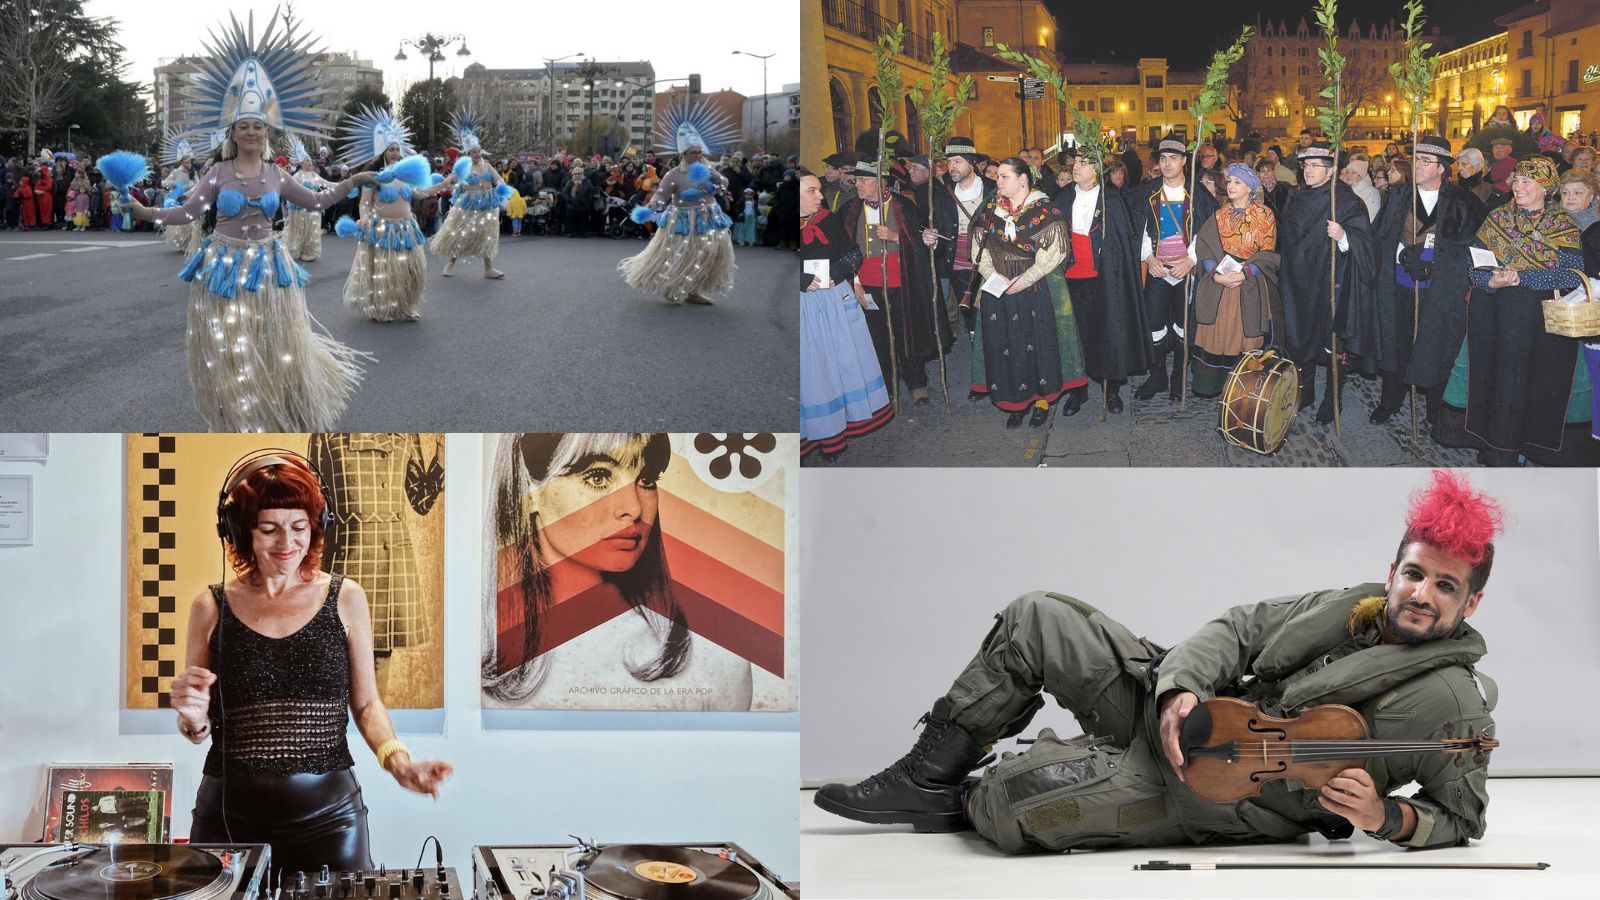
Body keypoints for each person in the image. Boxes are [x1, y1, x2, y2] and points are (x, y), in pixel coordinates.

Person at [814, 469, 1500, 856]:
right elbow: (1236, 629)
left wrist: (1389, 819)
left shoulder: (1452, 705)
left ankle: (999, 784)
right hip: (1191, 717)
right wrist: (1178, 688)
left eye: (1445, 587)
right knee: (1036, 617)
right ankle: (924, 778)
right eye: (1414, 574)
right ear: (1394, 570)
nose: (1420, 595)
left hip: (1221, 794)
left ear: (1469, 604)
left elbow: (1463, 818)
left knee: (1007, 806)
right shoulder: (1347, 606)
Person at [172, 452, 452, 876]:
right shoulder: (209, 607)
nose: (287, 544)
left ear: (317, 527)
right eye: (269, 529)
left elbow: (367, 706)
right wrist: (192, 718)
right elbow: (199, 728)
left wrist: (399, 763)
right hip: (227, 819)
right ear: (240, 531)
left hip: (331, 820)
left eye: (299, 528)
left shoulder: (346, 598)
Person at [126, 8, 378, 432]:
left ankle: (273, 406)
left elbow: (317, 202)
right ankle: (234, 409)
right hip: (223, 267)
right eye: (243, 126)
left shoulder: (278, 175)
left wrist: (352, 179)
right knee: (229, 344)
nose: (250, 133)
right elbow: (188, 212)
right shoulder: (217, 173)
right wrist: (147, 211)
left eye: (257, 127)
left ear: (266, 133)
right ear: (233, 132)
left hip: (267, 264)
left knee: (271, 340)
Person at [480, 433, 754, 709]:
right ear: (529, 491)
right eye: (598, 476)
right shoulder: (460, 648)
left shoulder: (717, 654)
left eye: (646, 479)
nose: (634, 508)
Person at [1436, 157, 1592, 465]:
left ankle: (1527, 447)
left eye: (1526, 181)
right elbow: (1474, 267)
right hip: (1494, 320)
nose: (1517, 187)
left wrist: (1523, 277)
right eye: (1516, 180)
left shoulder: (1563, 223)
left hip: (1540, 325)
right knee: (1497, 382)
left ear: (1545, 187)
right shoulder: (1497, 218)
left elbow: (1573, 273)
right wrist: (1491, 279)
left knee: (1533, 384)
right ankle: (1496, 446)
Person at [307, 433, 444, 694]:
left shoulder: (405, 433)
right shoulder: (325, 435)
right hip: (345, 553)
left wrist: (441, 455)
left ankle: (376, 729)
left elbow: (422, 501)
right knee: (337, 657)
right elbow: (313, 504)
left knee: (380, 659)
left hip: (391, 557)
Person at [1369, 136, 1487, 426]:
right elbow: (1381, 237)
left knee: (1436, 345)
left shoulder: (1463, 201)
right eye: (1416, 159)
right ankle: (1390, 402)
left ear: (1443, 168)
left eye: (1425, 161)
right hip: (1399, 285)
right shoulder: (1398, 196)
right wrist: (1402, 255)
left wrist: (1435, 261)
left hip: (1439, 291)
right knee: (1397, 344)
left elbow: (1475, 246)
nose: (1418, 165)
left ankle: (1437, 409)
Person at [967, 157, 1085, 428]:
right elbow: (979, 247)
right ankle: (1016, 401)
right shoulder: (990, 209)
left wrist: (1024, 279)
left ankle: (1042, 401)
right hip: (999, 287)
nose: (998, 181)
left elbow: (1055, 252)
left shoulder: (1045, 210)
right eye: (997, 176)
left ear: (1023, 180)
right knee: (1008, 343)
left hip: (1037, 288)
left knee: (1039, 343)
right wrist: (993, 276)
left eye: (1004, 176)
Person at [1275, 140, 1380, 423]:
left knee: (1332, 341)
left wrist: (1344, 235)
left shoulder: (1345, 200)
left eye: (1315, 166)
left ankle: (1333, 398)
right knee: (1299, 334)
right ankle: (1305, 389)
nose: (1308, 171)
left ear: (1331, 170)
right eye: (1306, 165)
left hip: (1330, 280)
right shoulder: (1296, 195)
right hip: (1298, 279)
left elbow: (1366, 245)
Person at [836, 157, 946, 405]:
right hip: (867, 285)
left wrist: (896, 236)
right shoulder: (847, 211)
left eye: (863, 180)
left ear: (881, 182)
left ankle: (917, 382)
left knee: (907, 333)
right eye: (856, 180)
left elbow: (924, 245)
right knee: (877, 338)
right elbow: (842, 252)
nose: (858, 185)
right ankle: (885, 387)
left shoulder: (905, 207)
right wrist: (855, 283)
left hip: (902, 283)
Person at [800, 170, 892, 461]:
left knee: (831, 367)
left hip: (831, 302)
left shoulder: (828, 219)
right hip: (801, 306)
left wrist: (837, 273)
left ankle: (832, 436)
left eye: (818, 190)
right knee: (808, 372)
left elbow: (853, 253)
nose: (820, 196)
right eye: (812, 191)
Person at [1056, 147, 1151, 414]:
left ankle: (1111, 390)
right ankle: (1078, 390)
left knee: (1108, 334)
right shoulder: (1063, 197)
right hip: (1070, 278)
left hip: (1104, 279)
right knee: (1074, 337)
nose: (1076, 167)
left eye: (1083, 164)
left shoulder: (1112, 200)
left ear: (1097, 170)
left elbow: (1121, 245)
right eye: (1075, 163)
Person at [335, 107, 452, 323]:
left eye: (398, 149)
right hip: (382, 229)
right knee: (385, 272)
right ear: (383, 153)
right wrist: (364, 218)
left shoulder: (407, 175)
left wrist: (443, 184)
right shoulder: (373, 176)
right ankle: (381, 307)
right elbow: (365, 202)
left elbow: (421, 193)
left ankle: (407, 306)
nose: (396, 153)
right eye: (391, 149)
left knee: (409, 271)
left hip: (406, 228)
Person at [1134, 137, 1218, 401]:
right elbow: (1141, 231)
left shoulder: (1198, 194)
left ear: (1184, 161)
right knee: (1153, 325)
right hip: (1158, 271)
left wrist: (1191, 260)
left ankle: (1179, 379)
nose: (1167, 164)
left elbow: (1206, 233)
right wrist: (1149, 259)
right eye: (1163, 159)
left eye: (1173, 158)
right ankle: (1158, 376)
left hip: (1187, 272)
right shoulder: (1147, 193)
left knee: (1184, 327)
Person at [1190, 164, 1280, 398]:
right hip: (1220, 285)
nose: (1230, 186)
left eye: (1237, 182)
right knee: (1216, 336)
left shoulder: (1264, 215)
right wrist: (1216, 275)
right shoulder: (1220, 214)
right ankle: (1212, 386)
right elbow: (1205, 246)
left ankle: (1242, 392)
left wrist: (1244, 273)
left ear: (1250, 188)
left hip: (1249, 284)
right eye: (1229, 181)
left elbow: (1268, 253)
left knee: (1245, 336)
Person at [619, 144, 737, 305]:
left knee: (705, 255)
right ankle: (671, 288)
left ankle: (693, 291)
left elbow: (723, 185)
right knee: (678, 255)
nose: (697, 155)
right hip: (682, 219)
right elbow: (661, 195)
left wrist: (715, 175)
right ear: (684, 154)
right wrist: (652, 207)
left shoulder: (707, 169)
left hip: (707, 217)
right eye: (693, 153)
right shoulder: (673, 174)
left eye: (699, 153)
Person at [921, 137, 995, 360]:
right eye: (949, 162)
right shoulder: (942, 193)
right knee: (970, 312)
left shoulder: (993, 189)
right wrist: (932, 240)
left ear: (971, 163)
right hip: (960, 262)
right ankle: (979, 362)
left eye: (957, 162)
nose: (951, 167)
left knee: (994, 312)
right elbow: (940, 234)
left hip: (992, 261)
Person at [431, 111, 509, 279]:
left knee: (486, 235)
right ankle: (450, 264)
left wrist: (502, 190)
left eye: (479, 151)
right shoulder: (463, 167)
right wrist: (444, 182)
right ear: (468, 153)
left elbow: (499, 179)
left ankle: (488, 268)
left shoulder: (487, 166)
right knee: (460, 233)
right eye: (474, 151)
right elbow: (451, 179)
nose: (478, 154)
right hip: (468, 204)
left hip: (487, 204)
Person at [283, 134, 333, 263]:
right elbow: (289, 190)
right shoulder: (297, 176)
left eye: (310, 160)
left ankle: (309, 250)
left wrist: (344, 185)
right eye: (307, 161)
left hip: (314, 209)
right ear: (301, 163)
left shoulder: (314, 175)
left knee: (312, 231)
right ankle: (300, 249)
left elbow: (327, 184)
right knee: (301, 230)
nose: (310, 163)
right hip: (300, 210)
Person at [159, 130, 200, 253]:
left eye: (190, 160)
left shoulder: (194, 173)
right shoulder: (176, 172)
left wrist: (188, 193)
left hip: (190, 200)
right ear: (182, 161)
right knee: (181, 225)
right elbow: (164, 183)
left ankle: (190, 244)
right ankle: (182, 244)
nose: (188, 162)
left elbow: (198, 186)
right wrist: (172, 185)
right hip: (179, 201)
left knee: (192, 224)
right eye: (186, 160)